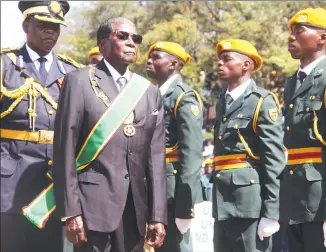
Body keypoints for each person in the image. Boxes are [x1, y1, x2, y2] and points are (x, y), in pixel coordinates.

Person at [52, 17, 167, 252]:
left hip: (135, 211)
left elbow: (156, 160)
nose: (131, 43)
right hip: (92, 209)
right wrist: (71, 211)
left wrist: (157, 215)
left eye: (136, 39)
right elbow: (64, 149)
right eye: (123, 36)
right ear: (103, 43)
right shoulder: (79, 81)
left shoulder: (149, 92)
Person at [0, 1, 82, 251]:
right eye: (44, 25)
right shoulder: (5, 65)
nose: (51, 32)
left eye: (56, 27)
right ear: (26, 25)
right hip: (9, 184)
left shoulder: (71, 72)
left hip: (52, 188)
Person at [280, 7, 326, 252]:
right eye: (291, 32)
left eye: (299, 31)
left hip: (323, 203)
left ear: (322, 38)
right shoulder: (292, 83)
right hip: (295, 202)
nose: (291, 37)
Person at [212, 39, 286, 252]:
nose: (219, 63)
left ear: (246, 65)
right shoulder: (222, 101)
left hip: (250, 205)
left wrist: (271, 213)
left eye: (226, 59)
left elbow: (273, 160)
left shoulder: (261, 101)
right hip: (222, 202)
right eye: (219, 59)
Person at [145, 41, 203, 252]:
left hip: (172, 191)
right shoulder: (151, 94)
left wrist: (185, 208)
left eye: (157, 57)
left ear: (173, 64)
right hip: (150, 188)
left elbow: (192, 155)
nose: (149, 60)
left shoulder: (183, 97)